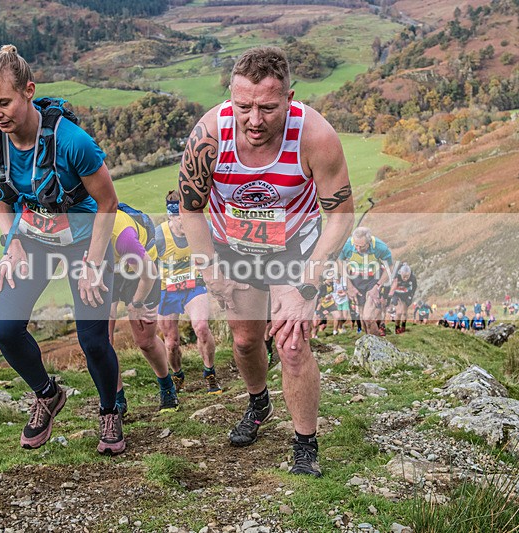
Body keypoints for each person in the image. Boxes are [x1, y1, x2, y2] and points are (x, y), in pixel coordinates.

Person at [178, 46, 355, 477]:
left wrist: (307, 287)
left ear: (289, 99)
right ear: (230, 98)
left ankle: (305, 444)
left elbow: (341, 217)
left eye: (268, 108)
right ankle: (259, 402)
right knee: (243, 341)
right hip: (233, 248)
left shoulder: (316, 136)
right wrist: (210, 271)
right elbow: (190, 208)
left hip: (293, 248)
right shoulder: (209, 136)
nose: (254, 121)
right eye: (244, 107)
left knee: (292, 344)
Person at [0, 45, 124, 455]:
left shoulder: (74, 142)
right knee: (4, 327)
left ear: (28, 91)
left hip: (83, 241)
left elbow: (107, 203)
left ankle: (110, 410)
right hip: (32, 239)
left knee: (92, 340)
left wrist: (93, 264)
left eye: (3, 102)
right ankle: (48, 394)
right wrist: (11, 241)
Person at [107, 206, 180, 414]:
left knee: (145, 340)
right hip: (109, 273)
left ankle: (167, 386)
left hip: (142, 272)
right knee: (103, 339)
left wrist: (136, 304)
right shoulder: (79, 233)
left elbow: (149, 273)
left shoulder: (121, 234)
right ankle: (117, 399)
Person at [155, 191, 220, 395]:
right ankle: (177, 375)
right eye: (179, 217)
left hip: (194, 286)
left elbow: (217, 250)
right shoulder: (159, 236)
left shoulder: (202, 228)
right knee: (171, 341)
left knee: (201, 327)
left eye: (186, 217)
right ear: (170, 217)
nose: (184, 222)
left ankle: (209, 373)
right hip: (167, 291)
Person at [339, 227, 393, 336]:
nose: (358, 249)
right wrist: (349, 286)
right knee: (362, 319)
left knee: (368, 317)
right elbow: (340, 261)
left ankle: (377, 346)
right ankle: (369, 344)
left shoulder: (380, 247)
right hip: (356, 281)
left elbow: (390, 267)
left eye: (361, 246)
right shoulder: (348, 245)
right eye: (356, 245)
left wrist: (377, 286)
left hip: (372, 280)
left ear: (368, 243)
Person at [387, 263, 417, 334]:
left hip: (406, 294)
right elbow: (390, 286)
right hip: (396, 293)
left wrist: (411, 296)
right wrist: (390, 297)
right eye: (404, 277)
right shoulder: (396, 276)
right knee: (399, 312)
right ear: (401, 273)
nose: (405, 279)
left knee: (404, 312)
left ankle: (403, 326)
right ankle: (397, 327)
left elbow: (414, 287)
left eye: (407, 277)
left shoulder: (412, 278)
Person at [312, 273, 336, 338]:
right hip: (318, 307)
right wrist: (317, 311)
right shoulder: (320, 287)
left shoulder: (329, 285)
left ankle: (316, 335)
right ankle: (313, 335)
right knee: (315, 323)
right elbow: (319, 299)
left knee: (323, 324)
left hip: (324, 305)